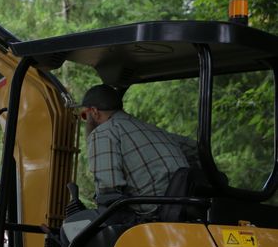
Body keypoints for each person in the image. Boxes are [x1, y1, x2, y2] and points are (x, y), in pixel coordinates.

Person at [76, 84, 198, 213]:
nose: (85, 121)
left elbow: (108, 191)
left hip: (152, 215)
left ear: (94, 112)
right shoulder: (153, 130)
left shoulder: (103, 132)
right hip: (183, 208)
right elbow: (196, 149)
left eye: (84, 116)